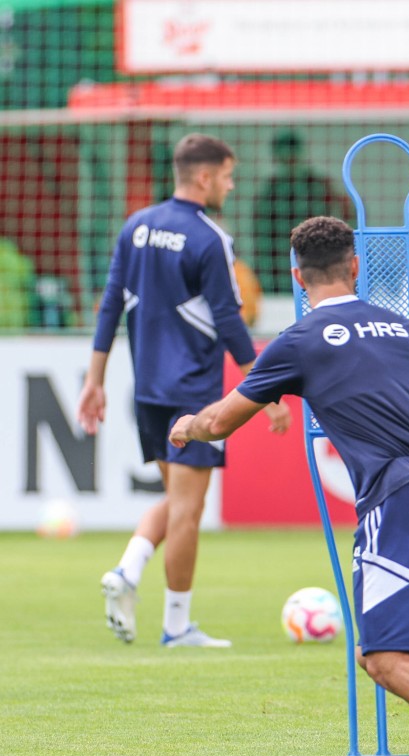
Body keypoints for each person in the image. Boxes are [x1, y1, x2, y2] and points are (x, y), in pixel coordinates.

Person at [168, 216, 409, 756]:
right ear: (355, 266)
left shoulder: (301, 340)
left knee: (382, 660)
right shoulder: (404, 328)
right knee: (396, 645)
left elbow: (218, 422)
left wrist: (185, 425)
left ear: (297, 277)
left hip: (398, 505)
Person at [78, 133, 291, 648]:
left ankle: (129, 570)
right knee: (187, 511)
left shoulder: (137, 226)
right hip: (193, 394)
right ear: (204, 177)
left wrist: (95, 379)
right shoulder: (208, 238)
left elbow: (111, 304)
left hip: (147, 391)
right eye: (227, 175)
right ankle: (175, 625)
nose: (231, 185)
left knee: (180, 502)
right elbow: (228, 321)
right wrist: (264, 391)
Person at [251, 129, 352, 295]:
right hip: (279, 268)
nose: (289, 161)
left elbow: (346, 213)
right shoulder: (269, 191)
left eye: (292, 156)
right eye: (284, 157)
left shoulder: (319, 185)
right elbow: (260, 233)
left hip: (317, 261)